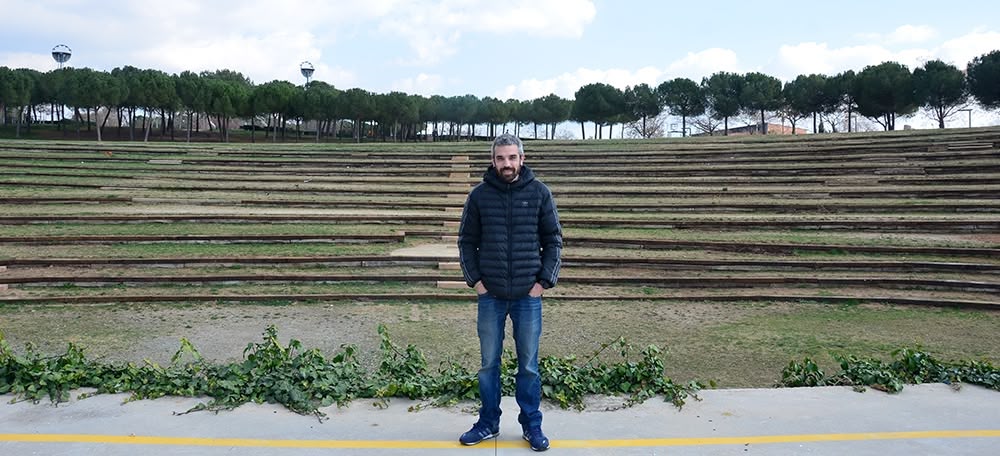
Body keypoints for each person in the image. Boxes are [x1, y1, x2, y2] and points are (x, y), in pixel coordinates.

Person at [457, 133, 562, 451]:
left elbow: (553, 240)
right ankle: (488, 422)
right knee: (489, 363)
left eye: (512, 157)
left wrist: (543, 282)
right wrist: (475, 281)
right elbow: (466, 241)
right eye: (501, 158)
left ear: (522, 159)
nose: (507, 163)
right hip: (491, 295)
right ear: (493, 161)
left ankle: (531, 425)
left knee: (528, 365)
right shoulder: (478, 196)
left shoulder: (540, 193)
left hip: (527, 297)